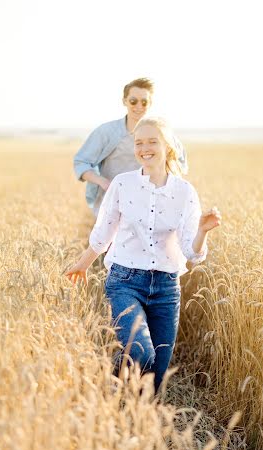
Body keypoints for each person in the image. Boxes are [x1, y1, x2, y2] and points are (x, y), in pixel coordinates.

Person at [66, 116, 221, 393]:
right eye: (139, 142)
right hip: (125, 282)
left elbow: (192, 253)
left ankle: (132, 421)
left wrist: (203, 231)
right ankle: (113, 382)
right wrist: (82, 264)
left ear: (168, 147)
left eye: (152, 141)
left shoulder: (184, 192)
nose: (144, 148)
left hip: (166, 287)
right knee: (141, 354)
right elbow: (104, 232)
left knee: (155, 382)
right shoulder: (123, 184)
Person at [73, 77, 188, 216]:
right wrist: (103, 182)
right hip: (112, 206)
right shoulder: (106, 132)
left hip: (149, 208)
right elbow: (81, 162)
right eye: (133, 101)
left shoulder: (162, 133)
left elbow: (179, 164)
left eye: (144, 102)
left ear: (150, 104)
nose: (139, 106)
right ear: (124, 101)